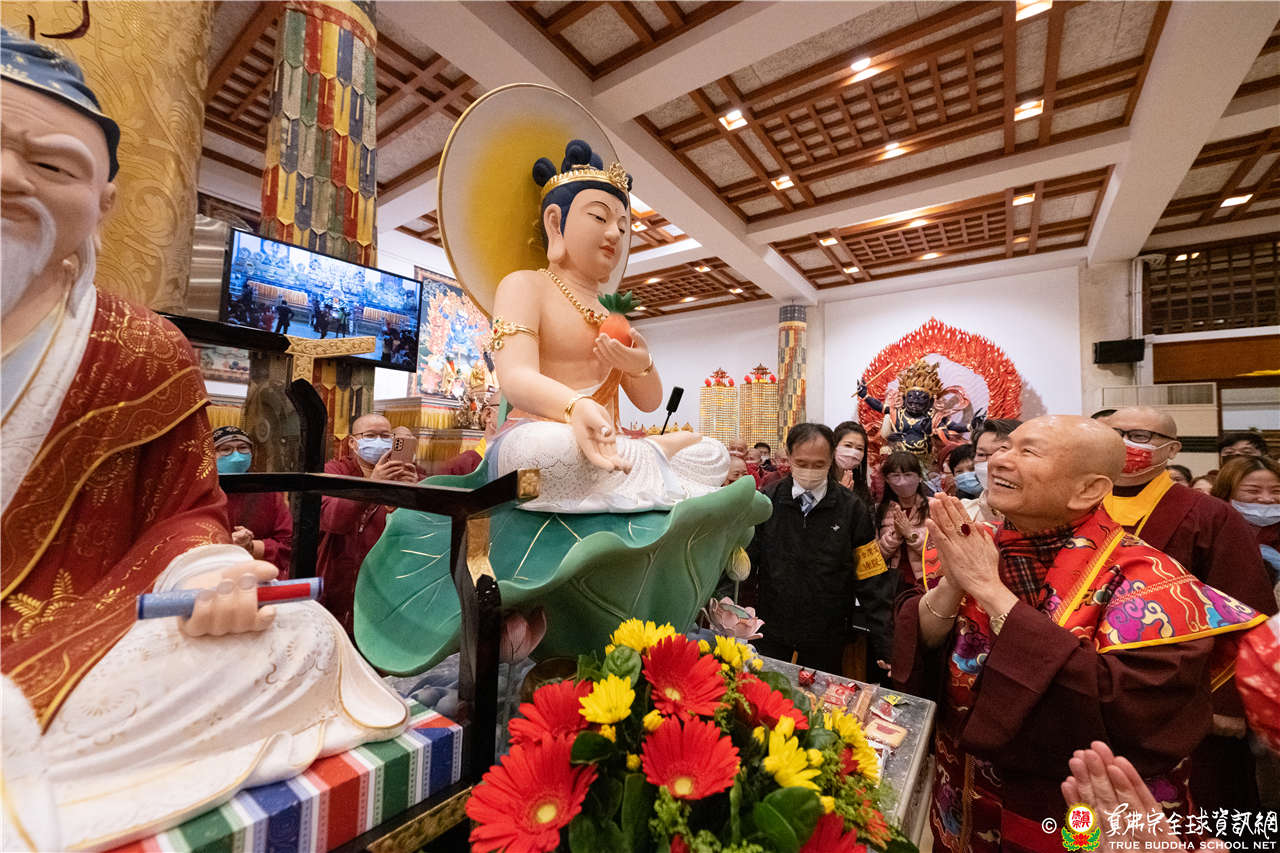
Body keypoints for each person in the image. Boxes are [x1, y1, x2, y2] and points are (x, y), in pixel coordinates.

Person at [0, 32, 406, 851]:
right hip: (60, 653)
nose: (11, 178)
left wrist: (213, 567)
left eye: (50, 165)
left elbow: (189, 514)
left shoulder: (143, 350)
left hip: (84, 637)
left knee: (303, 638)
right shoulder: (324, 467)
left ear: (104, 202)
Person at [892, 416, 1264, 853]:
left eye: (1028, 452)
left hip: (1073, 813)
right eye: (1005, 447)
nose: (1000, 461)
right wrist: (954, 584)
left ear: (1087, 490)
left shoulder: (1151, 583)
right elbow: (923, 646)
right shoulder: (975, 543)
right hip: (962, 802)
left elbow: (1126, 711)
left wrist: (990, 591)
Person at [485, 139, 726, 512]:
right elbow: (515, 377)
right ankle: (650, 465)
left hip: (609, 442)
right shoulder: (524, 286)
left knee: (713, 454)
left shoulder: (613, 313)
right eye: (600, 218)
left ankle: (642, 463)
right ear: (555, 223)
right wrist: (574, 407)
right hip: (538, 436)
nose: (614, 233)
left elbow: (649, 403)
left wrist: (641, 366)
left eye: (623, 226)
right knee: (548, 453)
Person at [1101, 407, 1276, 809]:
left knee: (1202, 807)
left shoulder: (1208, 513)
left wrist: (1230, 703)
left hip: (1190, 695)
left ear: (1172, 449)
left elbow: (1248, 605)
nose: (1125, 444)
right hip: (1104, 689)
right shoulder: (1078, 505)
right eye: (1113, 433)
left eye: (1140, 436)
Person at [746, 424, 893, 675]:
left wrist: (884, 642)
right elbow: (747, 566)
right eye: (802, 463)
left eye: (818, 464)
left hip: (827, 633)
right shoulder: (767, 501)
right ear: (789, 456)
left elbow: (872, 577)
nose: (810, 471)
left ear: (831, 458)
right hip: (772, 628)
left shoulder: (851, 509)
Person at [317, 413, 423, 633]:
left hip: (385, 579)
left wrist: (412, 494)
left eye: (385, 436)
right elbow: (333, 519)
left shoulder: (408, 475)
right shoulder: (335, 471)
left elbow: (419, 532)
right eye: (370, 436)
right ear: (353, 443)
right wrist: (372, 485)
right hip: (338, 577)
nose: (379, 441)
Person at [214, 426, 293, 577]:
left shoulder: (267, 492)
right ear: (211, 455)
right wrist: (225, 543)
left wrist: (250, 546)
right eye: (226, 450)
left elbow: (288, 543)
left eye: (242, 448)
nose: (236, 456)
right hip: (212, 574)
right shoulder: (202, 492)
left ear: (252, 453)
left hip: (261, 574)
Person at [1212, 454, 1280, 577]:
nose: (1266, 499)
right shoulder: (1210, 531)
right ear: (1226, 493)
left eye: (1276, 491)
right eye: (1253, 491)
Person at [876, 451, 930, 592]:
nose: (902, 481)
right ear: (887, 480)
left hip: (926, 582)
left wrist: (910, 534)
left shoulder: (933, 507)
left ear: (919, 477)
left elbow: (938, 552)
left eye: (908, 475)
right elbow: (876, 555)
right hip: (892, 584)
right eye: (895, 476)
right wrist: (896, 536)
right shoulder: (880, 511)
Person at [961, 417, 1021, 523]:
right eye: (981, 454)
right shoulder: (963, 510)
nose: (990, 462)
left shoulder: (1040, 517)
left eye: (1000, 453)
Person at [832, 421, 871, 503]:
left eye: (859, 448)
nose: (853, 453)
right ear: (834, 446)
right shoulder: (820, 482)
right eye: (848, 445)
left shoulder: (861, 487)